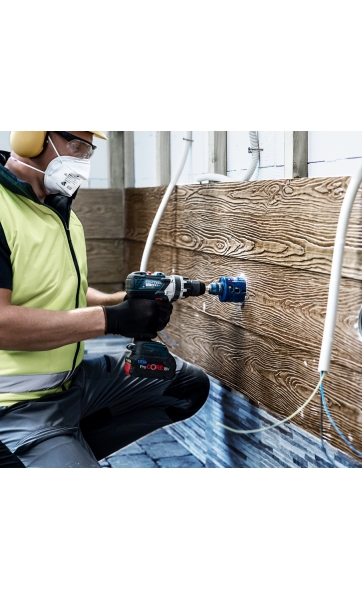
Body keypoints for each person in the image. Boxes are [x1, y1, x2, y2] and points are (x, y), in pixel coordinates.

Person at [0, 131, 209, 468]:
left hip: (70, 385)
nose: (83, 160)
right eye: (76, 146)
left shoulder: (59, 210)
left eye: (89, 150)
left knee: (185, 386)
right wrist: (112, 320)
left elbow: (62, 289)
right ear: (31, 137)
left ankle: (65, 447)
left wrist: (118, 302)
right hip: (13, 405)